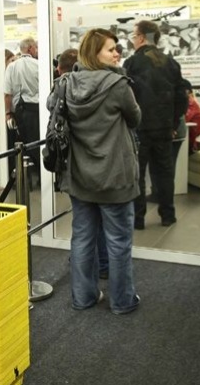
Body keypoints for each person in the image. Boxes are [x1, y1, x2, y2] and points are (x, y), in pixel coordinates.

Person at [53, 28, 141, 314]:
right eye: (110, 49)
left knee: (82, 238)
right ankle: (122, 301)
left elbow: (50, 107)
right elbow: (135, 117)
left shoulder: (66, 83)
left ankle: (83, 297)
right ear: (94, 53)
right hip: (115, 175)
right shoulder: (117, 85)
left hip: (80, 175)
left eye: (117, 48)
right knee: (118, 242)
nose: (117, 53)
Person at [123, 19, 186, 229]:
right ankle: (168, 215)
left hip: (139, 129)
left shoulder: (131, 64)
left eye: (134, 36)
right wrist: (174, 121)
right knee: (165, 173)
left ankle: (138, 219)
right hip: (165, 128)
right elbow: (181, 98)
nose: (133, 40)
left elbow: (127, 97)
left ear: (141, 37)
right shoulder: (171, 63)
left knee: (138, 174)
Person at [5, 37, 42, 182]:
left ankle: (24, 178)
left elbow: (7, 93)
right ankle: (41, 175)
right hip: (38, 109)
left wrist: (8, 113)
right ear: (30, 48)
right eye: (36, 48)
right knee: (38, 142)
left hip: (20, 110)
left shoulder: (12, 67)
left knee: (24, 143)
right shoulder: (39, 65)